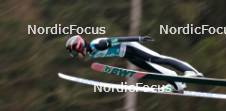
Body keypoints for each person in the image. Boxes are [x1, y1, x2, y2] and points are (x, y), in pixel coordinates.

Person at [65, 35, 203, 92]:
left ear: (78, 47)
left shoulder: (98, 45)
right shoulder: (91, 52)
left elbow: (118, 40)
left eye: (75, 52)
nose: (77, 55)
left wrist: (139, 38)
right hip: (127, 54)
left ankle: (191, 71)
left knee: (156, 59)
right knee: (151, 68)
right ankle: (176, 84)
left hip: (131, 47)